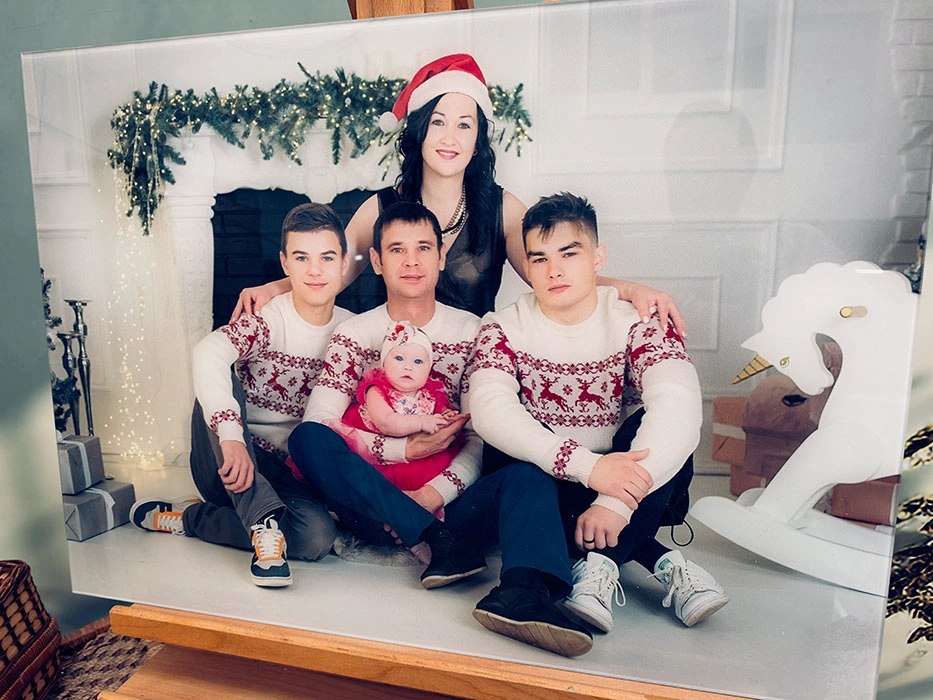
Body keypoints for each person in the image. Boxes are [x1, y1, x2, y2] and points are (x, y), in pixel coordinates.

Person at [289, 201, 600, 657]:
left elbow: (479, 434)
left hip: (450, 504)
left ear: (440, 256)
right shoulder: (354, 334)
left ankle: (522, 592)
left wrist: (433, 495)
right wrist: (402, 453)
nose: (411, 261)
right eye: (396, 250)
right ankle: (433, 539)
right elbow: (320, 422)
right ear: (376, 260)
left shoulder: (476, 331)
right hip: (373, 503)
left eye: (423, 248)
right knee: (306, 440)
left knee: (527, 474)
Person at [232, 53, 685, 331]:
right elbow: (329, 272)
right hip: (396, 366)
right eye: (439, 122)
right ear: (420, 131)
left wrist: (631, 289)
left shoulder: (503, 209)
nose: (450, 137)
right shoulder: (380, 208)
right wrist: (270, 289)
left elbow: (556, 273)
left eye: (464, 125)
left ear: (477, 139)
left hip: (478, 366)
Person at [469, 192, 729, 636]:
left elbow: (679, 402)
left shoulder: (639, 321)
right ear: (526, 266)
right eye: (539, 259)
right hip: (549, 482)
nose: (554, 270)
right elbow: (490, 411)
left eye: (569, 254)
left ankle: (597, 566)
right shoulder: (502, 326)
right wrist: (590, 469)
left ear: (598, 257)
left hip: (622, 484)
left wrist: (614, 502)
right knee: (513, 452)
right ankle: (658, 562)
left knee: (662, 433)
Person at [129, 203, 353, 588]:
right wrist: (232, 438)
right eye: (302, 257)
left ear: (345, 264)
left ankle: (190, 519)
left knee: (317, 538)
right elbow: (208, 351)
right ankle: (263, 524)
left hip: (288, 474)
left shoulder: (352, 332)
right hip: (227, 460)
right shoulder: (267, 320)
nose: (315, 270)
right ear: (285, 263)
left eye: (327, 258)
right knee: (220, 375)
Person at [337, 320, 463, 495]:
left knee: (438, 464)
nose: (408, 367)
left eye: (418, 361)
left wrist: (446, 417)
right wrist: (422, 422)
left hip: (415, 458)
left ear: (428, 370)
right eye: (399, 358)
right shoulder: (376, 391)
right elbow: (388, 423)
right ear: (383, 364)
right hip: (380, 459)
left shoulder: (429, 395)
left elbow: (437, 412)